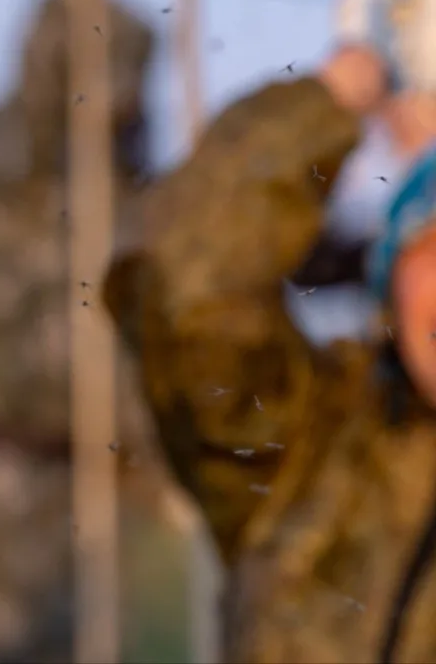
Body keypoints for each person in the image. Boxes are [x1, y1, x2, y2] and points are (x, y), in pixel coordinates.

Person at [104, 37, 436, 662]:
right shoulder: (312, 439)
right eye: (431, 248)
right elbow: (188, 285)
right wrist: (328, 103)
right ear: (389, 283)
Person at [0, 0, 180, 662]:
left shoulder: (123, 188)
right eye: (109, 79)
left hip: (86, 502)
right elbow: (42, 116)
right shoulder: (15, 154)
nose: (125, 103)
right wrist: (80, 12)